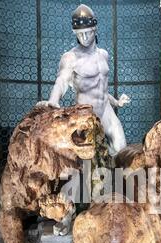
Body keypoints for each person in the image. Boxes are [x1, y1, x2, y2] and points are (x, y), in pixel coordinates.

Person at [38, 4, 130, 156]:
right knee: (89, 162)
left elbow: (101, 89)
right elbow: (61, 80)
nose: (84, 38)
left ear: (95, 29)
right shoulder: (70, 57)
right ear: (74, 32)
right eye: (80, 34)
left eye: (87, 33)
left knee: (121, 151)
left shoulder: (104, 55)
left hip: (106, 111)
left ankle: (114, 178)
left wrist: (117, 102)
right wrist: (53, 100)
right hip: (86, 115)